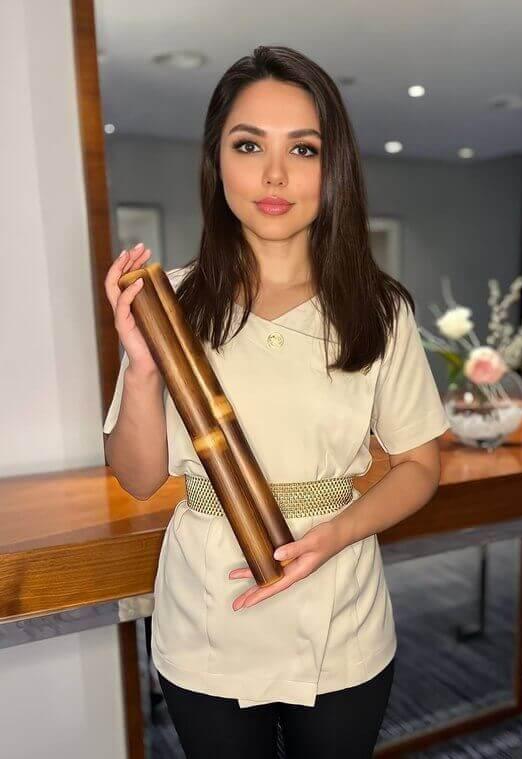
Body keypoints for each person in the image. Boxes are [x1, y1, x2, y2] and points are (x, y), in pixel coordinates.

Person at [102, 45, 450, 759]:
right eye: (248, 144)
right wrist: (141, 367)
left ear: (335, 166)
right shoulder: (170, 303)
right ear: (217, 160)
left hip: (342, 616)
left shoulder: (379, 309)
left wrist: (338, 533)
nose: (274, 174)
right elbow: (138, 478)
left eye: (303, 148)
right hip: (207, 621)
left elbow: (419, 464)